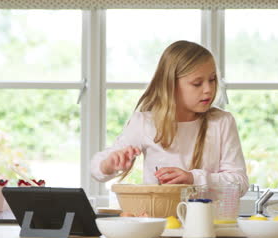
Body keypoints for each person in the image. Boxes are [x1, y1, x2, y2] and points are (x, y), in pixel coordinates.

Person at [90, 40, 248, 196]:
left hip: (207, 221)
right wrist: (109, 164)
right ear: (170, 85)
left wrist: (193, 178)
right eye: (197, 83)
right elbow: (96, 170)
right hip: (158, 220)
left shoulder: (222, 122)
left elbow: (239, 183)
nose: (208, 89)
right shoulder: (145, 123)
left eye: (212, 80)